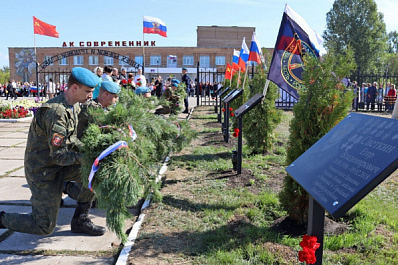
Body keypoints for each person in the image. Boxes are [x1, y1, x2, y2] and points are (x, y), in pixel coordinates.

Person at [0, 67, 106, 237]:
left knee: (94, 174)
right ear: (74, 88)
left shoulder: (74, 106)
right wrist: (86, 157)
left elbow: (71, 140)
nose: (90, 96)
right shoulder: (56, 112)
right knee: (44, 227)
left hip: (60, 166)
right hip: (43, 171)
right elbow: (59, 155)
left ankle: (80, 220)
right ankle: (3, 219)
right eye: (88, 92)